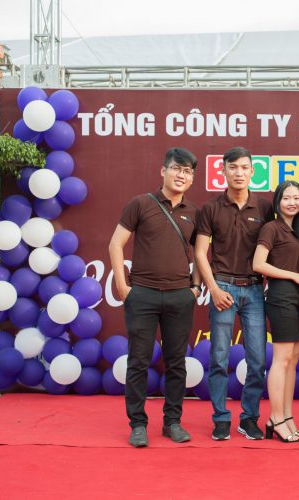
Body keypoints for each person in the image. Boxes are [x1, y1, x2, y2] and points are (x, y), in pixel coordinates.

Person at [108, 147, 202, 448]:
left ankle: (172, 422)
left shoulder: (194, 213)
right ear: (163, 171)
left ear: (192, 178)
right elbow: (115, 244)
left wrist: (195, 288)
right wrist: (123, 287)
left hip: (180, 296)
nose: (181, 175)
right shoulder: (141, 204)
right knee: (138, 361)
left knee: (176, 362)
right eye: (176, 169)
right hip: (143, 295)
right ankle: (137, 424)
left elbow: (202, 253)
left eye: (187, 171)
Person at [195, 147, 273, 441]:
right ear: (223, 171)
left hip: (254, 289)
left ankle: (249, 418)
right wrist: (213, 289)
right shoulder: (210, 208)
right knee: (219, 358)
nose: (239, 173)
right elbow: (200, 252)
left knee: (257, 360)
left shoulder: (265, 208)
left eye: (244, 168)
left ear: (252, 171)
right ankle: (220, 418)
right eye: (233, 167)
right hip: (222, 288)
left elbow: (275, 246)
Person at [252, 181, 299, 443]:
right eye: (286, 198)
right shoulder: (271, 228)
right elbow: (258, 264)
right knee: (281, 359)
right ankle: (276, 417)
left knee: (293, 358)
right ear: (277, 201)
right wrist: (295, 275)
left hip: (296, 297)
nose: (292, 203)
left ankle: (287, 416)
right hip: (280, 296)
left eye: (296, 198)